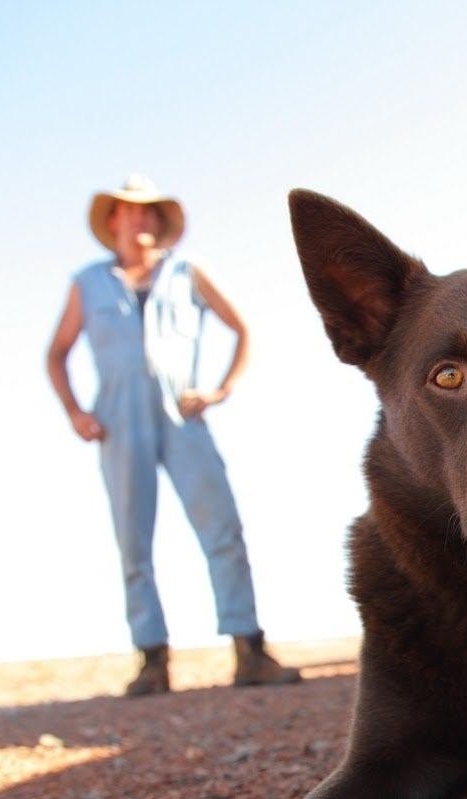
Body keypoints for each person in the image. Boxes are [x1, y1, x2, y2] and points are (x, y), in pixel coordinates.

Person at [45, 175, 299, 695]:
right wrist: (75, 412)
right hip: (118, 420)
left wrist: (220, 389)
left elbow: (242, 328)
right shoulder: (87, 283)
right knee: (132, 539)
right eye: (128, 212)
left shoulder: (188, 272)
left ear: (159, 222)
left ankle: (249, 648)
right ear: (113, 221)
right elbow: (56, 353)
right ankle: (152, 658)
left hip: (182, 413)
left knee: (221, 526)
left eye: (148, 213)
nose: (139, 221)